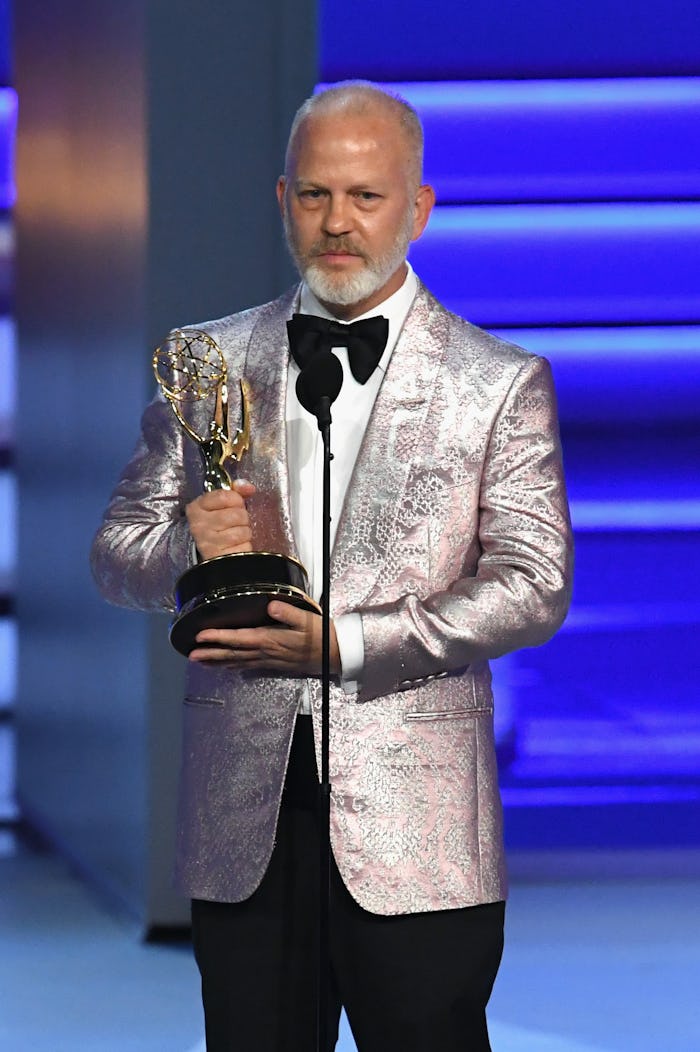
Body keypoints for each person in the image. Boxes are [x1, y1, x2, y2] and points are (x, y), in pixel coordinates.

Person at [91, 81, 573, 1052]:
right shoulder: (205, 359)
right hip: (244, 817)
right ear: (281, 201)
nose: (337, 223)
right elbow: (117, 554)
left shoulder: (496, 381)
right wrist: (193, 544)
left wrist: (348, 642)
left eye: (364, 196)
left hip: (419, 819)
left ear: (417, 207)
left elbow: (533, 581)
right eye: (315, 195)